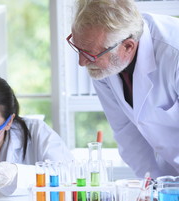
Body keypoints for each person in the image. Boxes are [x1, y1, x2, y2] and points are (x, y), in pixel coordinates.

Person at [68, 0, 179, 178]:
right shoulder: (102, 62)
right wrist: (152, 186)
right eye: (78, 48)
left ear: (128, 46)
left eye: (89, 53)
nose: (81, 62)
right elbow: (126, 131)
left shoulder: (174, 53)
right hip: (169, 173)